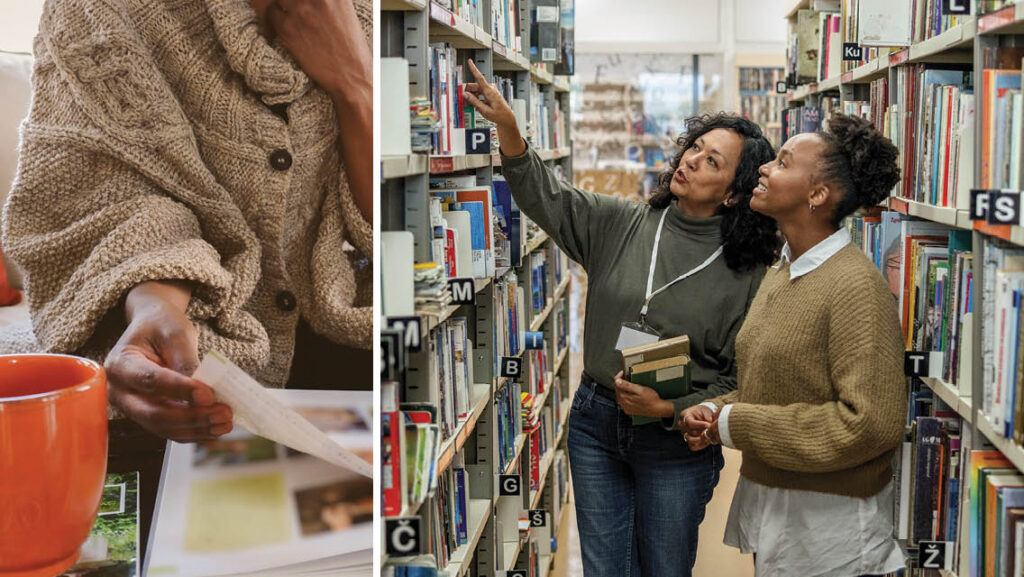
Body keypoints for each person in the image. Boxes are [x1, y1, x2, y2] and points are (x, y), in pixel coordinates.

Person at [2, 0, 373, 443]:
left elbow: (389, 230)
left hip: (337, 323)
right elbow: (104, 200)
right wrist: (156, 305)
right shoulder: (94, 11)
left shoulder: (366, 14)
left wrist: (357, 82)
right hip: (182, 333)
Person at [463, 60, 779, 576]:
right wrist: (511, 133)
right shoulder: (625, 222)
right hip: (596, 418)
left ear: (733, 193)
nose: (693, 160)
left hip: (676, 439)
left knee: (664, 568)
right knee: (605, 568)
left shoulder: (750, 274)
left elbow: (741, 380)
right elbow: (550, 197)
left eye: (712, 161)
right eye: (695, 146)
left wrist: (668, 408)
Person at [681, 113, 907, 577]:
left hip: (828, 524)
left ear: (817, 195)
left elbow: (871, 425)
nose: (764, 168)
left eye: (782, 163)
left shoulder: (854, 287)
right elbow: (780, 385)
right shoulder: (784, 270)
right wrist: (716, 410)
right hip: (777, 503)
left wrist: (736, 421)